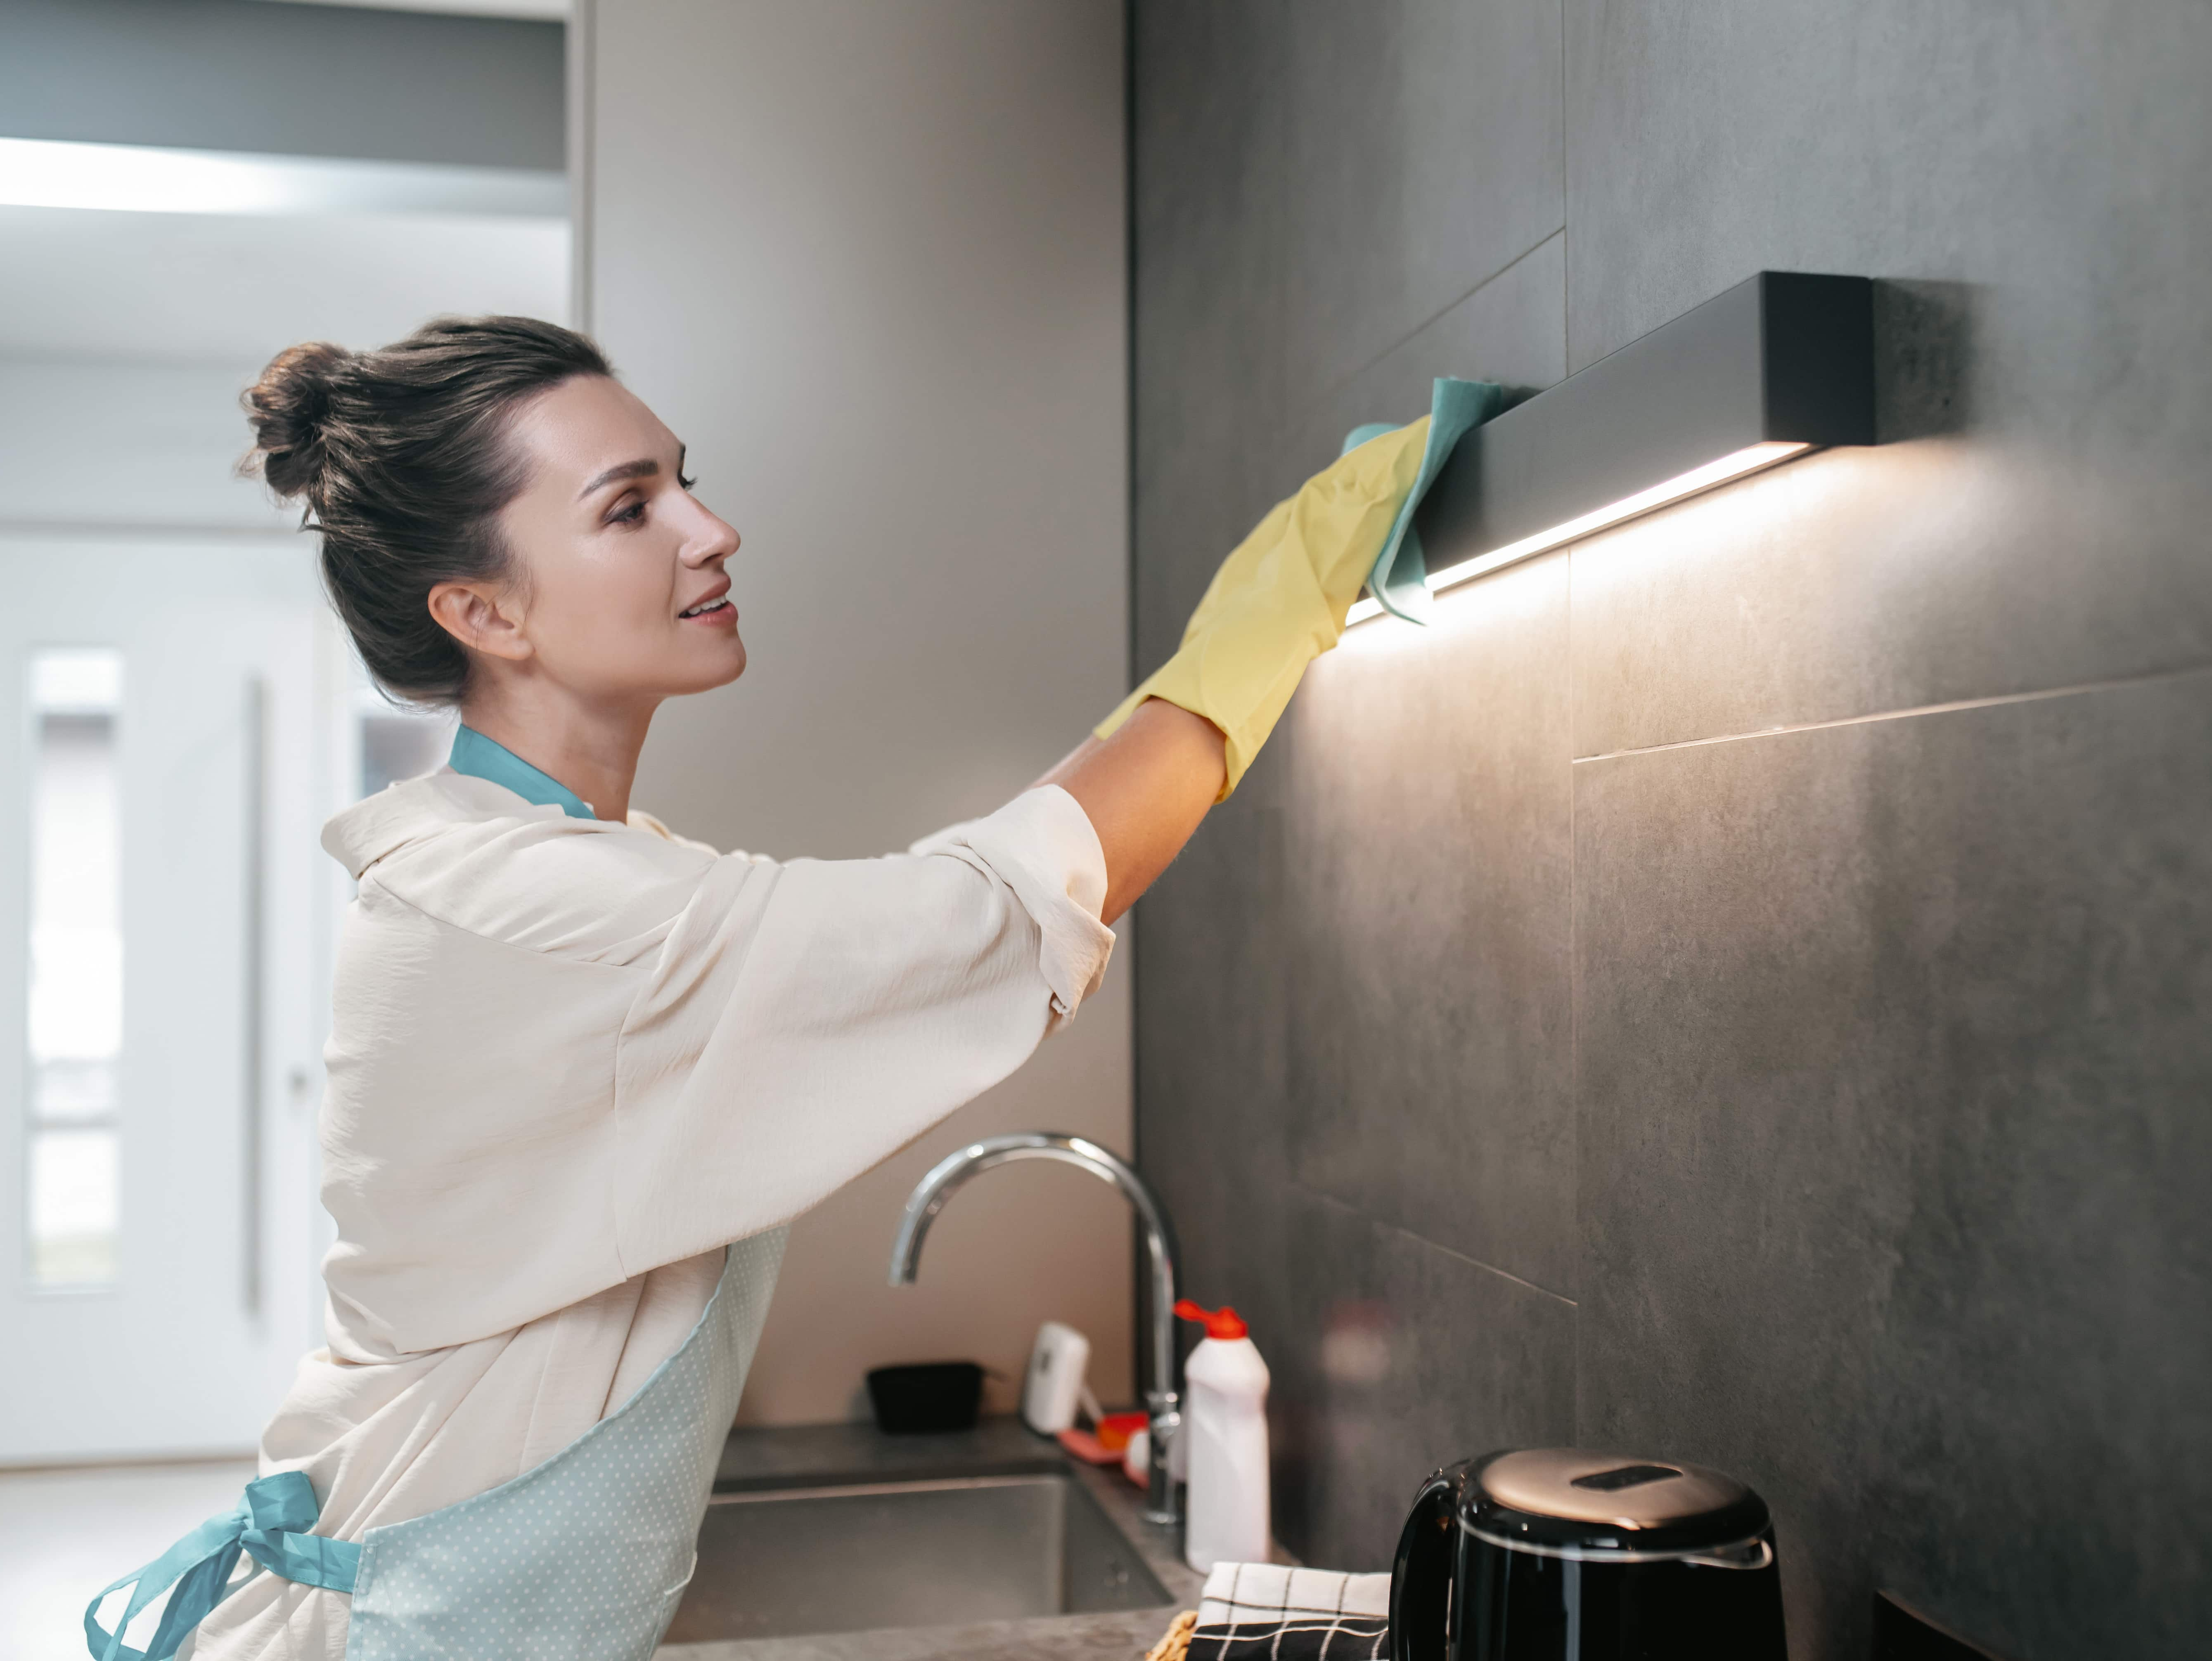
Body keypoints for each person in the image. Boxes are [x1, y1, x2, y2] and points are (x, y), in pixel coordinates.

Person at [85, 316, 1428, 1661]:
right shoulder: (530, 911)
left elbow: (944, 909)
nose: (712, 528)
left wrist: (1236, 637)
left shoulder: (567, 871)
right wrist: (1271, 614)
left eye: (683, 478)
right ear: (485, 613)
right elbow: (976, 920)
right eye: (631, 508)